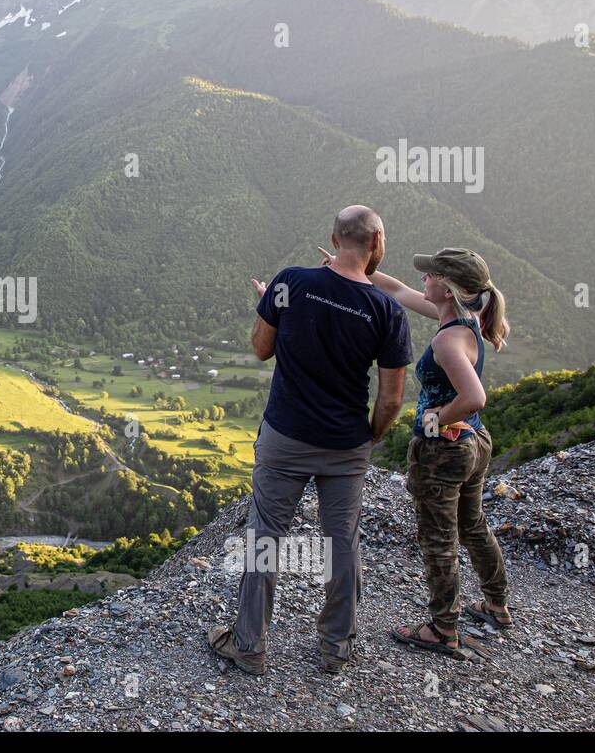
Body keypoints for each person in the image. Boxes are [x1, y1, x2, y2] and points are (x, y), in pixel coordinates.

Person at [208, 206, 411, 676]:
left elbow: (261, 348)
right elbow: (392, 398)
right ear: (377, 244)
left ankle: (249, 647)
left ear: (333, 237)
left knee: (264, 539)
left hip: (285, 436)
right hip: (345, 444)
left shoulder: (291, 283)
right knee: (342, 541)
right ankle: (336, 648)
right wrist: (368, 440)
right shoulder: (387, 309)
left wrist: (270, 305)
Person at [368, 248, 512, 656]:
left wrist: (437, 418)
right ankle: (496, 604)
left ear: (447, 288)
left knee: (438, 539)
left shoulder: (448, 340)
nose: (424, 279)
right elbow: (396, 290)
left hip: (444, 451)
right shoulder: (465, 320)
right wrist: (362, 268)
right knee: (473, 525)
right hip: (475, 444)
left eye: (430, 275)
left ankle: (442, 628)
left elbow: (475, 396)